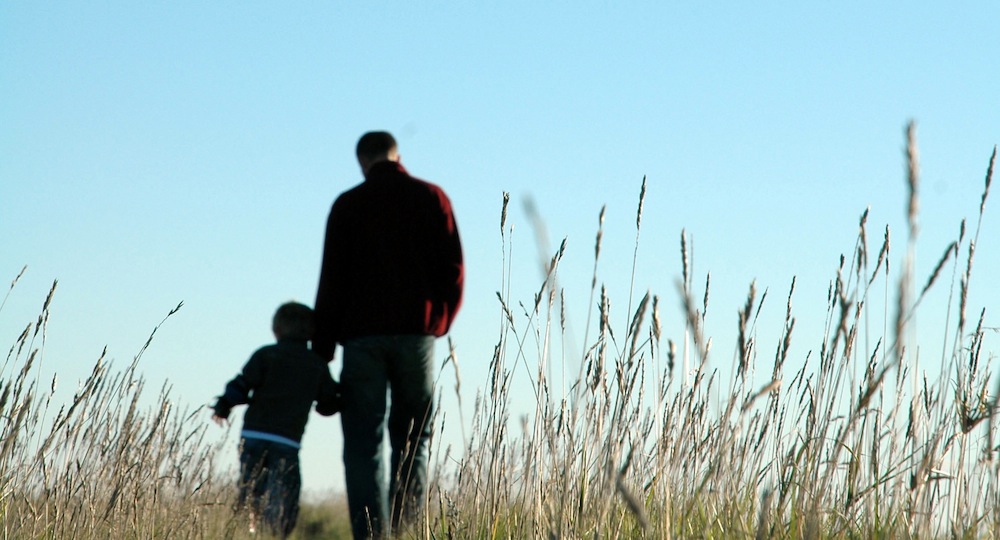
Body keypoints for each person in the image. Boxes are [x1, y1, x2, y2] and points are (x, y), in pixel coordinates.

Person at [313, 131, 464, 539]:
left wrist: (322, 348)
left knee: (363, 443)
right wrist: (439, 321)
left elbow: (332, 279)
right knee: (413, 439)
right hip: (417, 334)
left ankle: (370, 535)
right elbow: (453, 269)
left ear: (362, 161)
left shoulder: (348, 205)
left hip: (362, 339)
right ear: (399, 155)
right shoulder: (432, 197)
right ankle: (404, 533)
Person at [211, 301, 341, 538]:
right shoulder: (316, 365)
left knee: (251, 489)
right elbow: (329, 404)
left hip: (253, 435)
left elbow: (241, 385)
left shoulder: (265, 355)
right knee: (285, 495)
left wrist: (224, 405)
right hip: (288, 441)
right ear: (311, 332)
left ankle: (245, 530)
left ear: (276, 329)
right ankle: (276, 533)